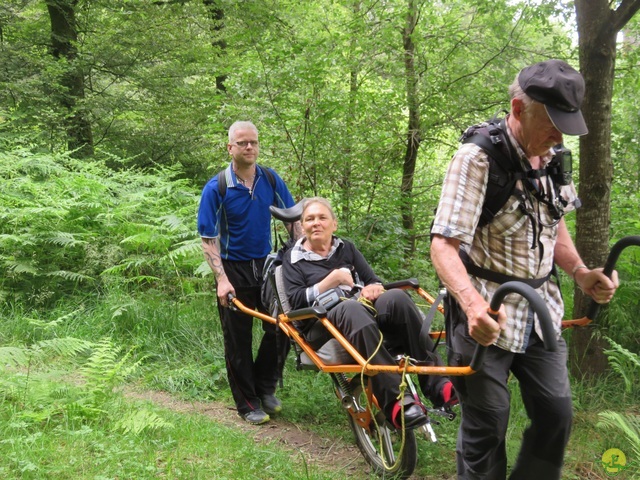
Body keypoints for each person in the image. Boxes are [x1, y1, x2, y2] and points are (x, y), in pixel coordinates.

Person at [430, 59, 619, 479]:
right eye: (552, 124)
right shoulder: (476, 159)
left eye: (566, 125)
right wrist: (473, 305)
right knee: (488, 423)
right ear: (518, 109)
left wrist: (582, 274)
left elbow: (557, 225)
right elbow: (443, 245)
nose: (559, 137)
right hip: (487, 315)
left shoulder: (553, 158)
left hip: (541, 313)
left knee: (557, 415)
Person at [282, 197, 457, 430]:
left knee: (396, 297)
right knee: (351, 308)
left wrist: (374, 288)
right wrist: (331, 280)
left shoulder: (347, 248)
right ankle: (397, 402)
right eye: (309, 219)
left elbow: (373, 280)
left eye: (322, 218)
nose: (316, 223)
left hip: (362, 312)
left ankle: (437, 384)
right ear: (302, 226)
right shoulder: (293, 259)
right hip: (321, 324)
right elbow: (295, 302)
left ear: (334, 224)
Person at [197, 121, 300, 425]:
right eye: (242, 143)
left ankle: (265, 388)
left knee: (282, 326)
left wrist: (299, 260)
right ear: (230, 148)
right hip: (232, 269)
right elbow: (208, 237)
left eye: (253, 142)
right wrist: (222, 279)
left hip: (267, 268)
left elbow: (292, 219)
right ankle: (247, 403)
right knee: (238, 340)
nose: (249, 147)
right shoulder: (217, 187)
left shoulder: (269, 178)